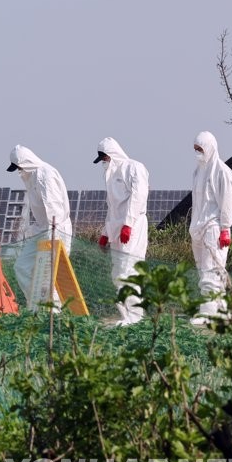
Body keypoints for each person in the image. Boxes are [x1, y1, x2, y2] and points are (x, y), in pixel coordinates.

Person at [7, 145, 73, 308]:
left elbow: (54, 206)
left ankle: (53, 313)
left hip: (56, 230)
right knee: (22, 266)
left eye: (19, 167)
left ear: (25, 162)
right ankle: (36, 306)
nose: (19, 172)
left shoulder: (45, 174)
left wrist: (53, 232)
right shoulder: (33, 176)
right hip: (42, 229)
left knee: (48, 275)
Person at [94, 137, 150, 326]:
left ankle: (135, 316)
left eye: (105, 158)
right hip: (117, 228)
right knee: (117, 272)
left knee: (130, 269)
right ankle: (126, 315)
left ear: (113, 154)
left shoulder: (134, 167)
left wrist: (128, 223)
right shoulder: (109, 176)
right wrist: (105, 232)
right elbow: (112, 207)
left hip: (133, 226)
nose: (104, 162)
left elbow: (139, 196)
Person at [189, 131, 232, 326]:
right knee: (204, 268)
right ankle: (222, 309)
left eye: (201, 149)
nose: (198, 153)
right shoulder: (199, 171)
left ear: (210, 148)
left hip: (214, 227)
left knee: (211, 268)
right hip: (198, 227)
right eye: (196, 149)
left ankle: (208, 313)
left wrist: (225, 228)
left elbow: (226, 202)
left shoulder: (222, 172)